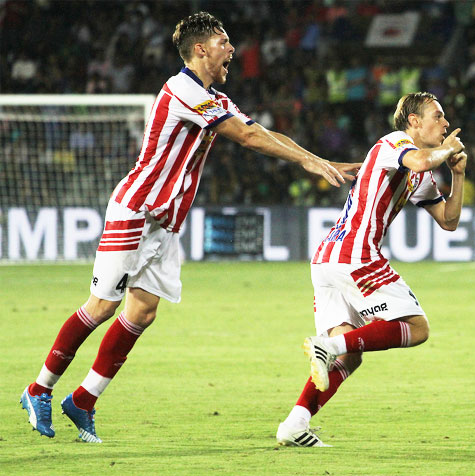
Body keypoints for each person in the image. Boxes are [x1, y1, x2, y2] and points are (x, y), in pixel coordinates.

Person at [20, 11, 359, 444]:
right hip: (137, 210)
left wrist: (320, 160)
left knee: (142, 312)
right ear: (200, 49)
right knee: (102, 307)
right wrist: (311, 162)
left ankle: (83, 400)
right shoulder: (182, 89)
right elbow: (248, 138)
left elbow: (261, 129)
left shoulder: (214, 96)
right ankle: (38, 390)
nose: (232, 50)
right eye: (224, 42)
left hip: (164, 223)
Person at [276, 92, 466, 447]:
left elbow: (449, 220)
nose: (443, 123)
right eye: (437, 116)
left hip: (328, 260)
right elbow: (423, 161)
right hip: (355, 255)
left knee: (350, 355)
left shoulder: (419, 172)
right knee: (417, 328)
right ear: (413, 121)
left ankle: (295, 423)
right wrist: (446, 151)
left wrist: (458, 173)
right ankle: (328, 345)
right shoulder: (394, 143)